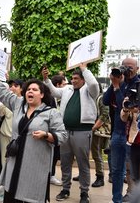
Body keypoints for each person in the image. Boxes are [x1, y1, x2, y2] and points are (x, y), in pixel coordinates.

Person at [0, 61, 67, 203]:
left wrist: (46, 135)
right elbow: (2, 92)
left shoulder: (51, 113)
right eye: (28, 89)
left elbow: (62, 136)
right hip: (14, 161)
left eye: (34, 89)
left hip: (35, 165)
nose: (30, 91)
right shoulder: (18, 104)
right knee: (11, 195)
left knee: (30, 197)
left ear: (41, 94)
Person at [43, 63, 99, 203]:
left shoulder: (90, 90)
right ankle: (65, 189)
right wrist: (46, 79)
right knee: (65, 162)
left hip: (83, 131)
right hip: (65, 132)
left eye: (76, 78)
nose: (73, 81)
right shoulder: (67, 89)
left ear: (83, 79)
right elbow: (54, 92)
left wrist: (84, 68)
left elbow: (93, 84)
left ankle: (84, 193)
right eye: (72, 78)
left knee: (83, 163)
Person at [103, 58, 139, 203]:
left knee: (133, 172)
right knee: (117, 171)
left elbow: (122, 105)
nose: (127, 69)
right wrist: (113, 84)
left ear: (137, 68)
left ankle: (132, 198)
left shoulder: (137, 84)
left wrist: (118, 87)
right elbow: (106, 101)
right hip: (117, 133)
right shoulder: (119, 82)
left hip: (133, 135)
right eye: (124, 67)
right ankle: (116, 200)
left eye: (130, 67)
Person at [90, 84, 110, 188]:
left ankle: (100, 177)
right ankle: (83, 174)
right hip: (90, 129)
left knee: (96, 153)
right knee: (85, 153)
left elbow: (105, 114)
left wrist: (93, 127)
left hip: (97, 130)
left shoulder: (101, 98)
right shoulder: (91, 97)